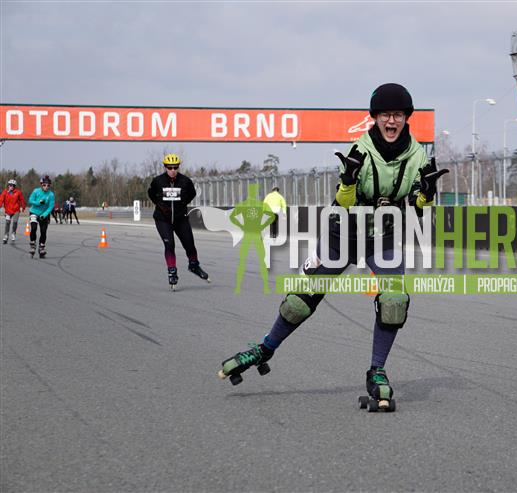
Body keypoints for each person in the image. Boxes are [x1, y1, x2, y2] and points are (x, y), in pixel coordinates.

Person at [218, 83, 448, 410]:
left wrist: (425, 193)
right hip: (344, 234)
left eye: (398, 114)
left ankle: (377, 371)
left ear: (406, 118)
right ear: (376, 117)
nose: (391, 121)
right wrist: (349, 181)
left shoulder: (418, 156)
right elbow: (343, 203)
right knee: (299, 303)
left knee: (394, 301)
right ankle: (264, 349)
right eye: (385, 115)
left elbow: (417, 208)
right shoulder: (360, 150)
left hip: (383, 236)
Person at [147, 153, 209, 289]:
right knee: (170, 245)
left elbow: (192, 194)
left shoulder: (185, 181)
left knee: (190, 244)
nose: (173, 170)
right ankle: (172, 272)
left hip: (181, 219)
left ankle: (194, 265)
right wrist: (160, 205)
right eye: (170, 167)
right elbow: (151, 193)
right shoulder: (158, 181)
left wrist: (181, 205)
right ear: (165, 167)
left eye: (175, 167)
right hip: (163, 220)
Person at [27, 175, 55, 258]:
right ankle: (33, 244)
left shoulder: (51, 195)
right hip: (34, 212)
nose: (46, 187)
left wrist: (44, 215)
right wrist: (38, 203)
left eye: (48, 186)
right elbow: (30, 200)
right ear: (41, 185)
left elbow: (51, 207)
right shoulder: (36, 191)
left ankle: (41, 247)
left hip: (44, 214)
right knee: (34, 228)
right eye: (44, 185)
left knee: (43, 231)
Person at [0, 179, 27, 244]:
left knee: (15, 221)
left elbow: (22, 200)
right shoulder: (5, 192)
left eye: (13, 185)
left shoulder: (18, 192)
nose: (11, 187)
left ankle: (13, 233)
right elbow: (1, 200)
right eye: (10, 185)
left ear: (15, 186)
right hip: (8, 210)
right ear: (8, 185)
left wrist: (23, 207)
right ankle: (6, 235)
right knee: (7, 222)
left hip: (16, 210)